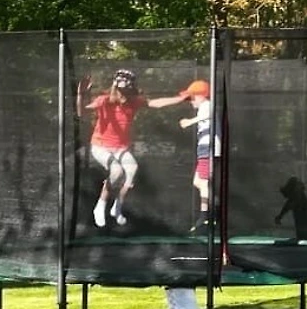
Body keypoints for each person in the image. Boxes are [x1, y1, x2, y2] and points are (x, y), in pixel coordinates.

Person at [78, 69, 186, 227]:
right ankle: (100, 206)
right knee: (116, 172)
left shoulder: (134, 101)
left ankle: (117, 207)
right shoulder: (104, 100)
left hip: (120, 148)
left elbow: (155, 103)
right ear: (116, 87)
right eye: (122, 90)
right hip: (101, 146)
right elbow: (82, 112)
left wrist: (180, 99)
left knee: (132, 169)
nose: (124, 94)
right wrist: (81, 95)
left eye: (128, 90)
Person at [178, 79, 220, 233]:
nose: (190, 101)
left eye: (192, 98)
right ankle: (214, 209)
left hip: (209, 149)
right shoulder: (202, 107)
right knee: (198, 182)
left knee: (203, 182)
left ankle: (206, 216)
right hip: (204, 150)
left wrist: (190, 121)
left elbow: (209, 114)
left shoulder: (207, 105)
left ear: (201, 96)